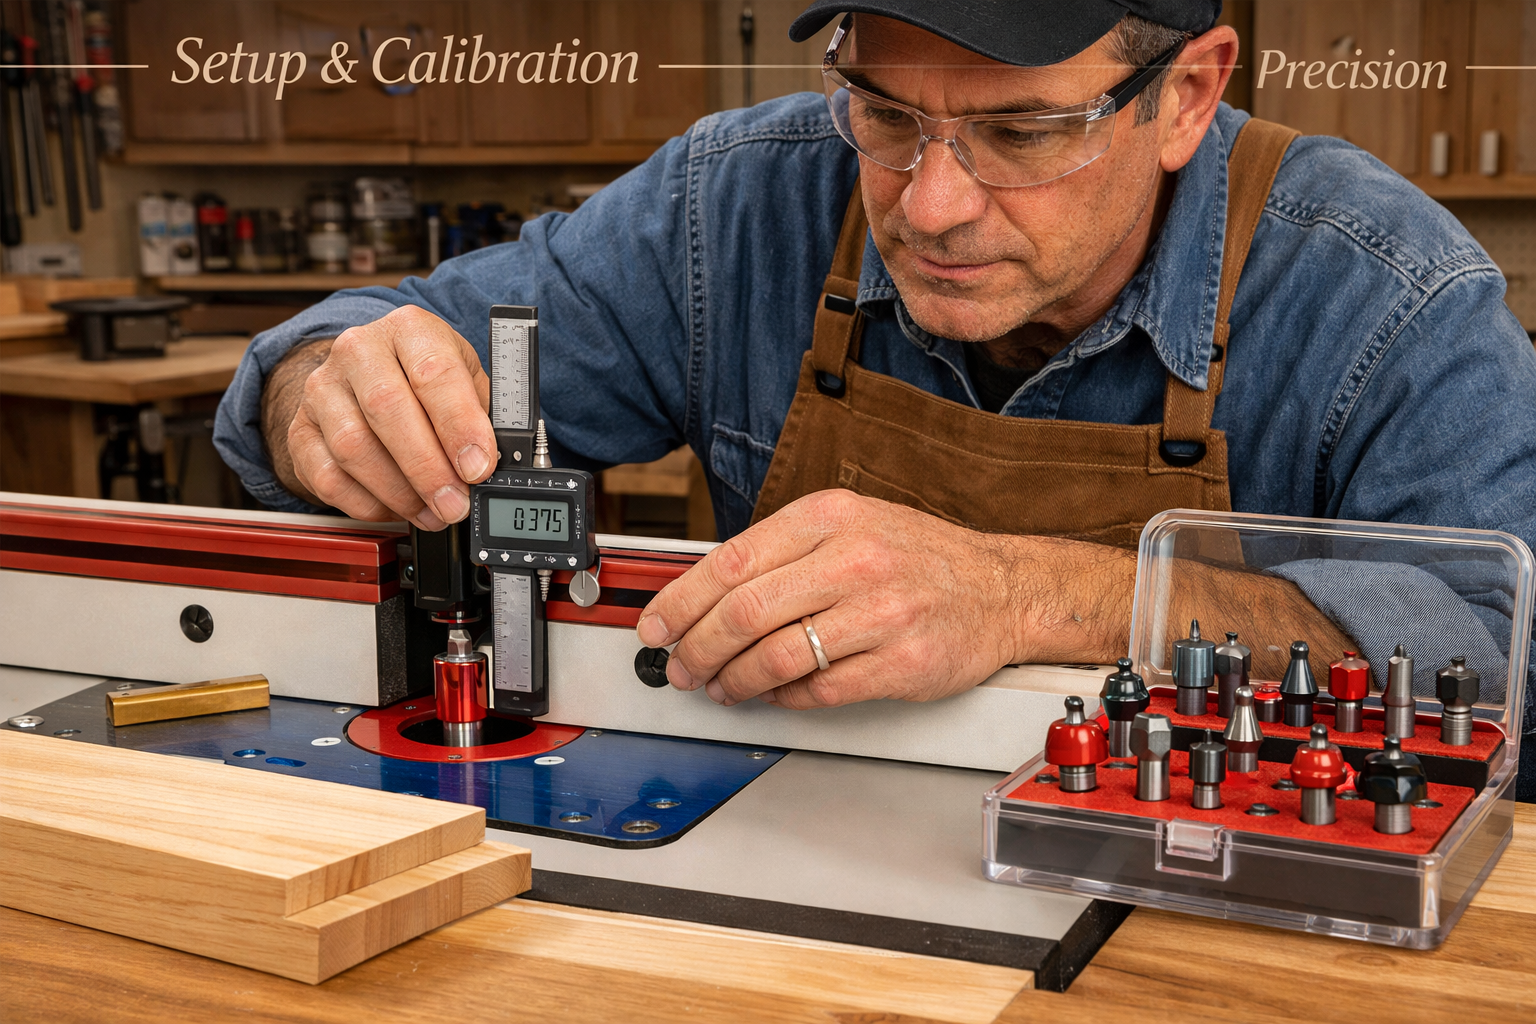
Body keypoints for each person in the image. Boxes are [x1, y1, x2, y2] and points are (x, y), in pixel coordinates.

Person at [215, 1, 1536, 781]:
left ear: (1186, 93)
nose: (933, 204)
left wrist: (1027, 595)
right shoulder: (735, 201)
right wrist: (325, 391)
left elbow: (1500, 659)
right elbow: (376, 340)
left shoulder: (1387, 292)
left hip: (1201, 901)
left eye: (1021, 132)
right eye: (887, 115)